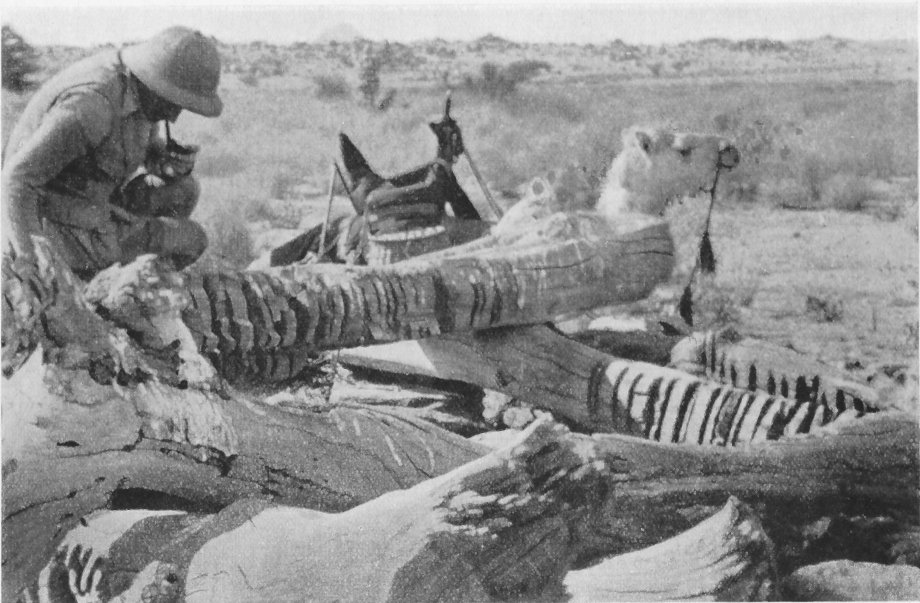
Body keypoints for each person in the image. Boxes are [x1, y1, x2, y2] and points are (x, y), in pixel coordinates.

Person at [1, 26, 222, 279]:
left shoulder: (139, 90)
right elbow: (16, 180)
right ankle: (115, 288)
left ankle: (130, 277)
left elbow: (135, 148)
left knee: (185, 190)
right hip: (55, 226)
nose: (173, 116)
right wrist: (32, 264)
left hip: (94, 208)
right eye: (173, 103)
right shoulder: (91, 107)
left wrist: (164, 161)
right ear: (154, 85)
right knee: (192, 239)